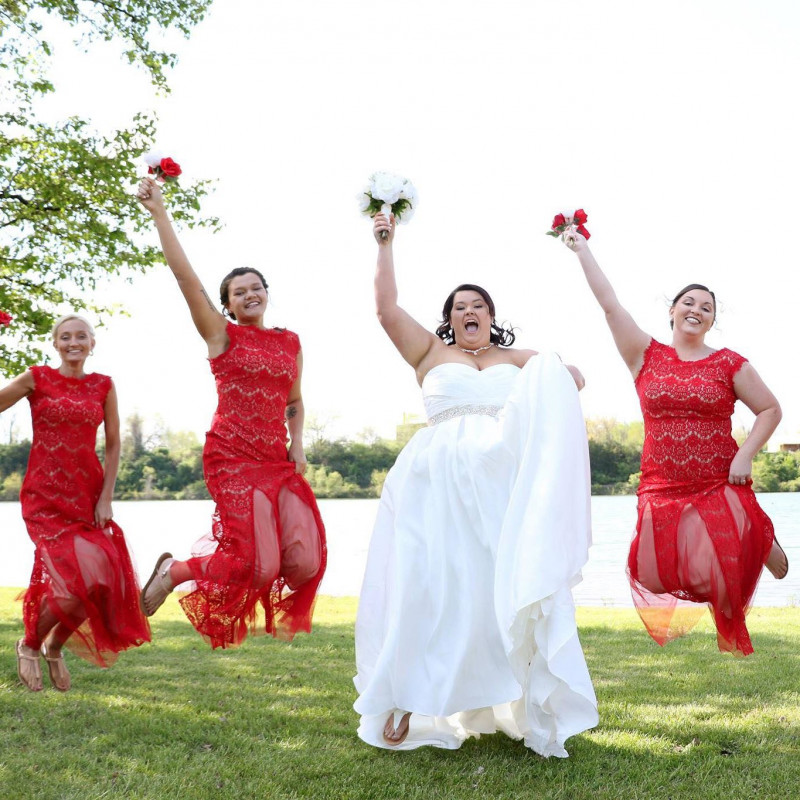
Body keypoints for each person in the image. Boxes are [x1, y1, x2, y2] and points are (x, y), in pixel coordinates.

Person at [353, 213, 598, 757]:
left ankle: (526, 703)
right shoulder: (429, 354)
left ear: (491, 316)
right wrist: (385, 243)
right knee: (425, 585)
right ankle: (405, 699)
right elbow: (385, 310)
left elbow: (571, 376)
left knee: (496, 589)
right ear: (448, 320)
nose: (469, 311)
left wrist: (563, 374)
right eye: (459, 306)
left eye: (478, 305)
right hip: (432, 483)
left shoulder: (518, 358)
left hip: (497, 486)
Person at [563, 228, 787, 656]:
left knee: (724, 579)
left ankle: (757, 537)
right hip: (662, 481)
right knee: (650, 573)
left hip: (719, 478)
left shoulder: (728, 363)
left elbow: (771, 409)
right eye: (689, 303)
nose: (697, 310)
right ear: (672, 311)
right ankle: (753, 534)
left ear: (711, 320)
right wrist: (582, 250)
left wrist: (745, 456)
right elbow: (610, 306)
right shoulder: (644, 354)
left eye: (707, 308)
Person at [136, 177, 326, 649]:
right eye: (238, 292)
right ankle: (175, 570)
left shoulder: (290, 342)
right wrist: (160, 213)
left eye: (255, 287)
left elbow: (294, 401)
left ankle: (180, 568)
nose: (249, 294)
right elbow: (186, 280)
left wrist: (297, 445)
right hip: (233, 457)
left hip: (276, 461)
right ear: (226, 304)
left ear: (266, 293)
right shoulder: (222, 336)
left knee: (304, 562)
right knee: (256, 565)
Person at [2, 315, 150, 691]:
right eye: (65, 337)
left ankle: (54, 647)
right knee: (69, 586)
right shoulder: (37, 378)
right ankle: (29, 645)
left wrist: (106, 498)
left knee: (99, 582)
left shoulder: (103, 385)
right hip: (45, 497)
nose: (73, 342)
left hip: (88, 497)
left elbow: (114, 444)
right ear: (55, 344)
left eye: (80, 336)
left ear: (91, 343)